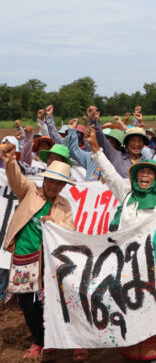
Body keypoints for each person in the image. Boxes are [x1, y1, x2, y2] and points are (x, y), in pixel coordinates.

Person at [85, 127, 156, 362]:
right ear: (134, 177)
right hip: (125, 268)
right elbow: (110, 173)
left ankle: (154, 357)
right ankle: (130, 353)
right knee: (128, 310)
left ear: (155, 178)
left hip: (151, 271)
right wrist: (94, 147)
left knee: (151, 312)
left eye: (149, 173)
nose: (144, 175)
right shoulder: (127, 195)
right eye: (141, 172)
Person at [0, 143, 87, 361]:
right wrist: (10, 160)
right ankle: (40, 340)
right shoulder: (29, 191)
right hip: (24, 256)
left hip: (50, 261)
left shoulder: (63, 205)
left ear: (63, 186)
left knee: (59, 300)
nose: (55, 186)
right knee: (28, 304)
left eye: (60, 183)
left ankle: (73, 341)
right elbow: (14, 178)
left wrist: (54, 221)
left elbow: (70, 230)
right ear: (45, 180)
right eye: (52, 181)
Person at [87, 105, 152, 177]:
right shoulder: (116, 156)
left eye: (140, 141)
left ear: (143, 144)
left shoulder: (148, 163)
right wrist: (93, 121)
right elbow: (103, 141)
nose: (136, 144)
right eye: (133, 140)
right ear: (127, 143)